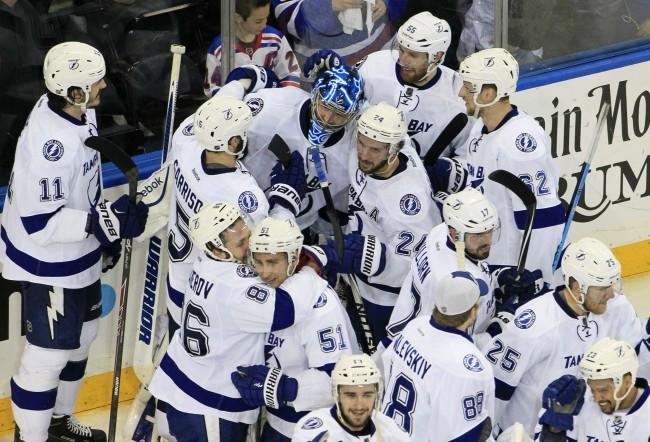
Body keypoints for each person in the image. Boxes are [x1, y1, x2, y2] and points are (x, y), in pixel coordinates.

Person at [0, 41, 148, 442]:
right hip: (48, 261)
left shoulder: (75, 109)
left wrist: (104, 234)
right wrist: (104, 222)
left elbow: (83, 183)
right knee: (47, 356)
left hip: (78, 250)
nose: (104, 86)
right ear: (74, 91)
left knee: (81, 339)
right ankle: (32, 437)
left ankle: (59, 422)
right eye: (95, 81)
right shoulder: (51, 148)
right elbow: (39, 222)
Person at [149, 204, 323, 441]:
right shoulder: (234, 289)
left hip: (183, 388)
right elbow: (287, 309)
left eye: (247, 236)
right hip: (209, 407)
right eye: (241, 243)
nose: (249, 245)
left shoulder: (206, 261)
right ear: (218, 250)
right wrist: (311, 269)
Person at [164, 94, 305, 336]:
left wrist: (242, 82)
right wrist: (286, 201)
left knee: (181, 345)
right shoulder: (242, 194)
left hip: (180, 278)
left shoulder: (184, 140)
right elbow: (269, 246)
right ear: (233, 142)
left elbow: (213, 109)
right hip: (221, 294)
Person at [487, 237, 648, 435]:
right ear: (577, 287)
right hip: (527, 435)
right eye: (602, 287)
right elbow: (496, 389)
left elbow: (635, 369)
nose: (611, 294)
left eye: (611, 284)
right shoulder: (534, 326)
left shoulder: (617, 309)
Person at [230, 216, 356, 441]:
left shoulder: (321, 307)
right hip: (274, 420)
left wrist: (284, 388)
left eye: (272, 262)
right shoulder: (261, 291)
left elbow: (339, 379)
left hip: (313, 429)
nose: (264, 272)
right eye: (259, 262)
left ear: (294, 258)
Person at [303, 12, 472, 180]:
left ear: (438, 56)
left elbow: (472, 156)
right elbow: (341, 109)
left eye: (413, 55)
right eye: (401, 50)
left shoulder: (459, 95)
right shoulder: (373, 66)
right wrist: (334, 79)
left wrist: (446, 173)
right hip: (355, 174)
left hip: (416, 185)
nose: (402, 60)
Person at [457, 47, 564, 285]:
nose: (461, 93)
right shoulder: (481, 127)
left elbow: (544, 219)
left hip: (515, 269)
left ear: (488, 94)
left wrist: (535, 279)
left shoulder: (518, 144)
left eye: (468, 87)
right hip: (491, 261)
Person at [345, 102, 439, 341]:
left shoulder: (409, 207)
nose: (363, 155)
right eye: (361, 144)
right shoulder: (387, 138)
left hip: (385, 299)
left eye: (374, 150)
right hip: (356, 276)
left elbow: (415, 267)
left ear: (394, 151)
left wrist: (372, 260)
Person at [381, 271, 495, 441]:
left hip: (386, 434)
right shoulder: (469, 370)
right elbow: (463, 436)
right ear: (473, 312)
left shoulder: (414, 327)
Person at [386, 187, 502, 350]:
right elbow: (458, 346)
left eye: (490, 231)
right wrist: (496, 330)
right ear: (455, 234)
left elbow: (471, 265)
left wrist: (499, 275)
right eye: (478, 235)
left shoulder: (439, 233)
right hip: (426, 349)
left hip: (404, 336)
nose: (487, 241)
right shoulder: (457, 286)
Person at [535, 336, 650, 441]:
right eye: (592, 389)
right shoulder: (574, 403)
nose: (596, 397)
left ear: (627, 381)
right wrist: (554, 430)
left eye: (603, 390)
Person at [292, 353, 409, 441]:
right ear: (337, 394)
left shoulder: (392, 431)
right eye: (351, 395)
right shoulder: (314, 429)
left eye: (367, 395)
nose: (359, 405)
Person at [204, 0, 300, 96]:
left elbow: (291, 73)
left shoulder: (275, 38)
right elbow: (211, 88)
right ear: (237, 18)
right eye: (258, 21)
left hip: (272, 100)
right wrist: (231, 97)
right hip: (236, 103)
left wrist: (284, 96)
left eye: (266, 17)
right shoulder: (220, 48)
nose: (264, 25)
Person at [271, 0, 405, 67]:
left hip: (382, 53)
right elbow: (286, 17)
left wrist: (387, 3)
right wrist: (330, 5)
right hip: (326, 66)